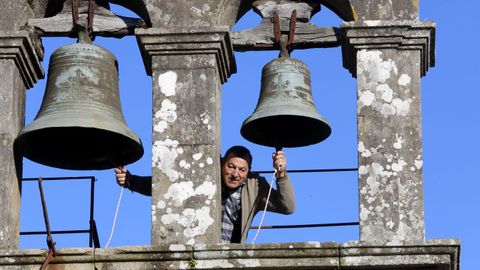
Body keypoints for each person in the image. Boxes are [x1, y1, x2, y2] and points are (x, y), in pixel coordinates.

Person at [114, 145, 295, 243]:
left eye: (242, 170)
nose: (235, 174)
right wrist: (131, 181)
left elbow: (287, 207)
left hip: (229, 254)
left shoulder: (255, 187)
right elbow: (168, 187)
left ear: (248, 172)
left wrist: (281, 174)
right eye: (231, 167)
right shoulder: (204, 175)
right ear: (222, 164)